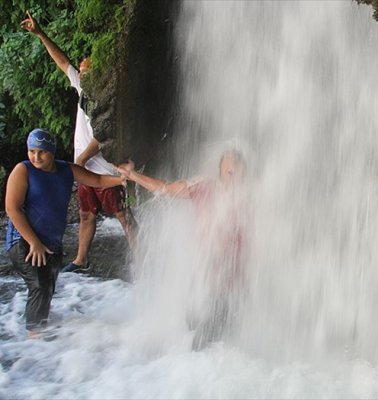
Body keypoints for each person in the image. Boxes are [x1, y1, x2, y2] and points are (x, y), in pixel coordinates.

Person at [21, 10, 136, 273]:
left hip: (105, 168)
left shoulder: (105, 97)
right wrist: (40, 34)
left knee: (123, 216)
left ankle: (142, 258)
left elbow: (106, 133)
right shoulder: (82, 87)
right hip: (85, 170)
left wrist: (82, 159)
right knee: (86, 215)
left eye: (86, 68)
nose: (81, 71)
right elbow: (61, 62)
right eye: (81, 69)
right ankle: (81, 260)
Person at [117, 149, 248, 349]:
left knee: (207, 340)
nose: (235, 176)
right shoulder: (204, 187)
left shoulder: (250, 196)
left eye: (239, 172)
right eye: (230, 172)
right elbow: (165, 188)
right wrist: (132, 175)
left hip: (230, 285)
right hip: (202, 279)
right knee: (193, 329)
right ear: (220, 171)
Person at [5, 129, 127, 336]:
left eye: (42, 152)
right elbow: (12, 209)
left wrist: (124, 179)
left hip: (51, 242)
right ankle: (34, 337)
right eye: (32, 151)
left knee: (48, 286)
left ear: (52, 152)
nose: (36, 157)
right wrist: (33, 242)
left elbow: (96, 180)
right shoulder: (23, 170)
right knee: (40, 285)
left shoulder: (66, 170)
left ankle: (42, 335)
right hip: (24, 241)